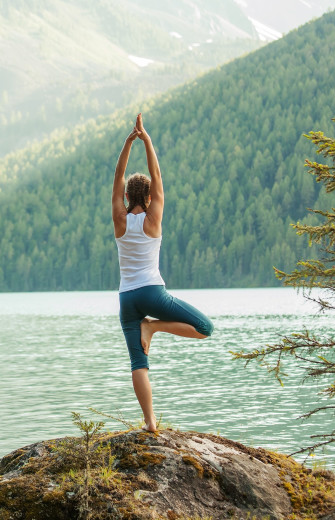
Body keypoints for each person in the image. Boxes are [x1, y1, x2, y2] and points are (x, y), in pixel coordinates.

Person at [112, 113, 214, 433]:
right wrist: (148, 141)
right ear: (151, 197)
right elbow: (156, 174)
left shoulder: (120, 219)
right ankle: (153, 328)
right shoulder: (152, 219)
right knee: (204, 327)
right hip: (152, 293)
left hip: (127, 298)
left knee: (137, 364)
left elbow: (118, 177)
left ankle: (150, 422)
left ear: (128, 197)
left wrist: (128, 143)